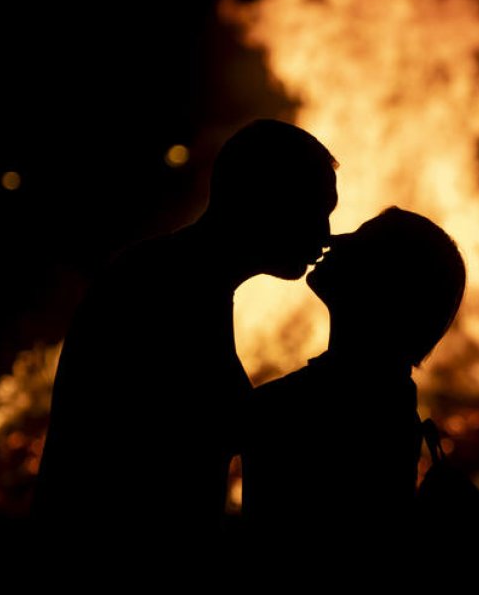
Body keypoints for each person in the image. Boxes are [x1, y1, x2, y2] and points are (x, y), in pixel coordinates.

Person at [32, 119, 337, 553]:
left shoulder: (178, 278)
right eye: (315, 210)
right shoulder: (163, 289)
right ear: (262, 200)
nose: (325, 236)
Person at [241, 207, 466, 552]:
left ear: (383, 283)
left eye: (361, 240)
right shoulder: (385, 401)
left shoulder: (314, 407)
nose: (336, 241)